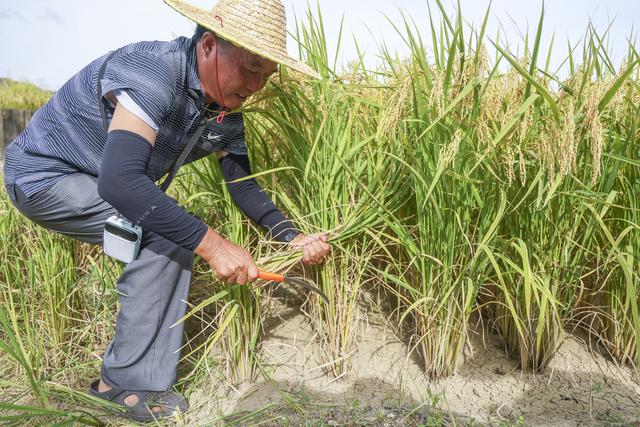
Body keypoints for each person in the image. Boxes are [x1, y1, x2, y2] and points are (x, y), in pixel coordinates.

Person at [2, 0, 330, 421]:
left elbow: (244, 187)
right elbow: (120, 181)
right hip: (43, 174)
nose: (257, 85)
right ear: (209, 44)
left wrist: (292, 236)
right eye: (250, 69)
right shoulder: (153, 73)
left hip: (90, 179)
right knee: (165, 234)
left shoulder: (225, 113)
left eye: (267, 75)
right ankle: (121, 386)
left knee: (170, 231)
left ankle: (132, 377)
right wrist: (214, 246)